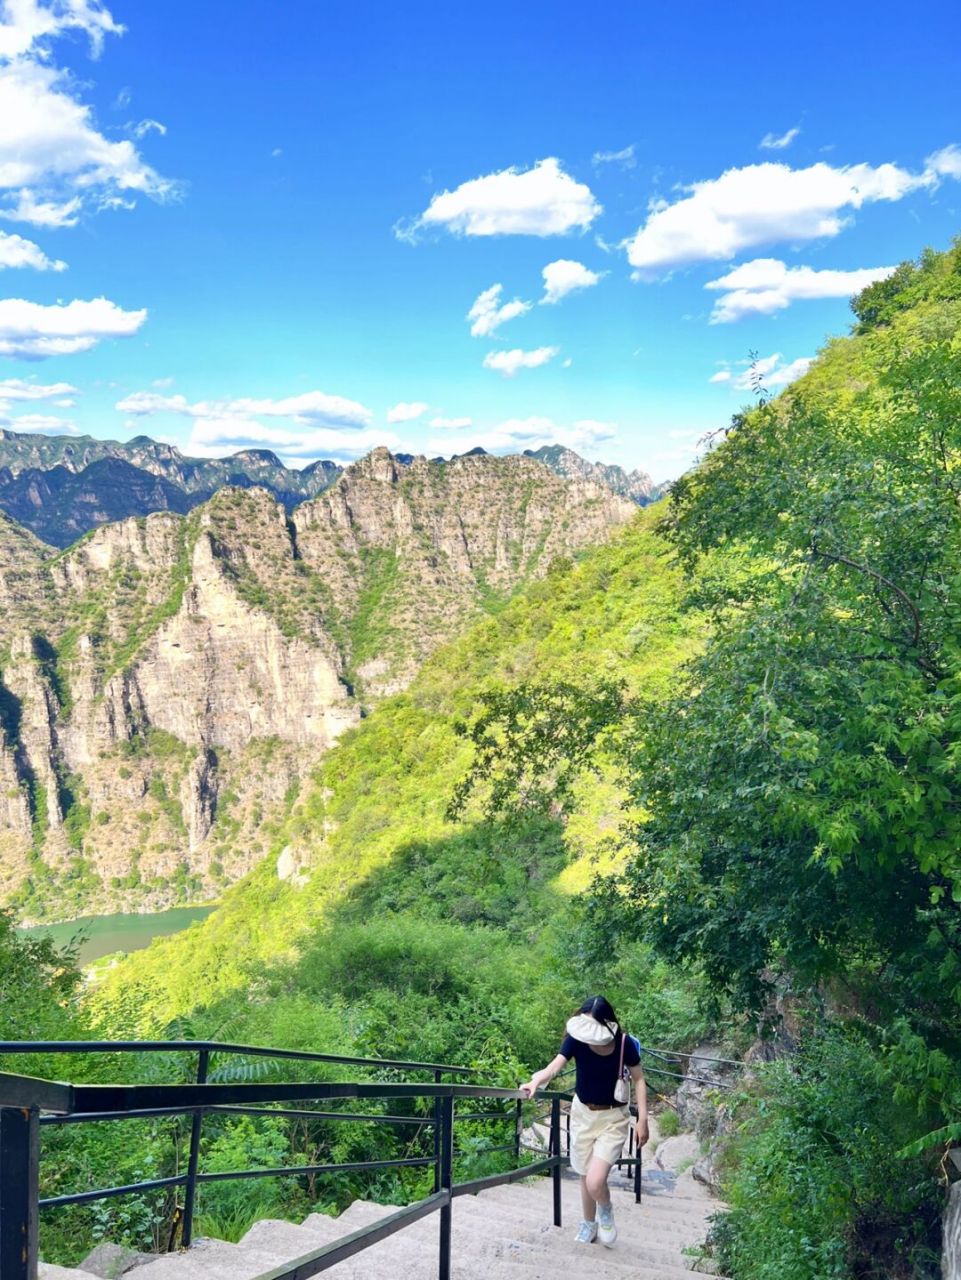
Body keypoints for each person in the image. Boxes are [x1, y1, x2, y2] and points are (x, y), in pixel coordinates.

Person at [519, 994, 648, 1248]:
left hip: (613, 1118)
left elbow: (639, 1079)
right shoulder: (577, 1039)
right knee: (583, 1172)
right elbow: (556, 1065)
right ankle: (589, 1224)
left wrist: (642, 1119)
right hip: (582, 1115)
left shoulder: (624, 1044)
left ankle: (606, 1209)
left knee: (595, 1180)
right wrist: (536, 1081)